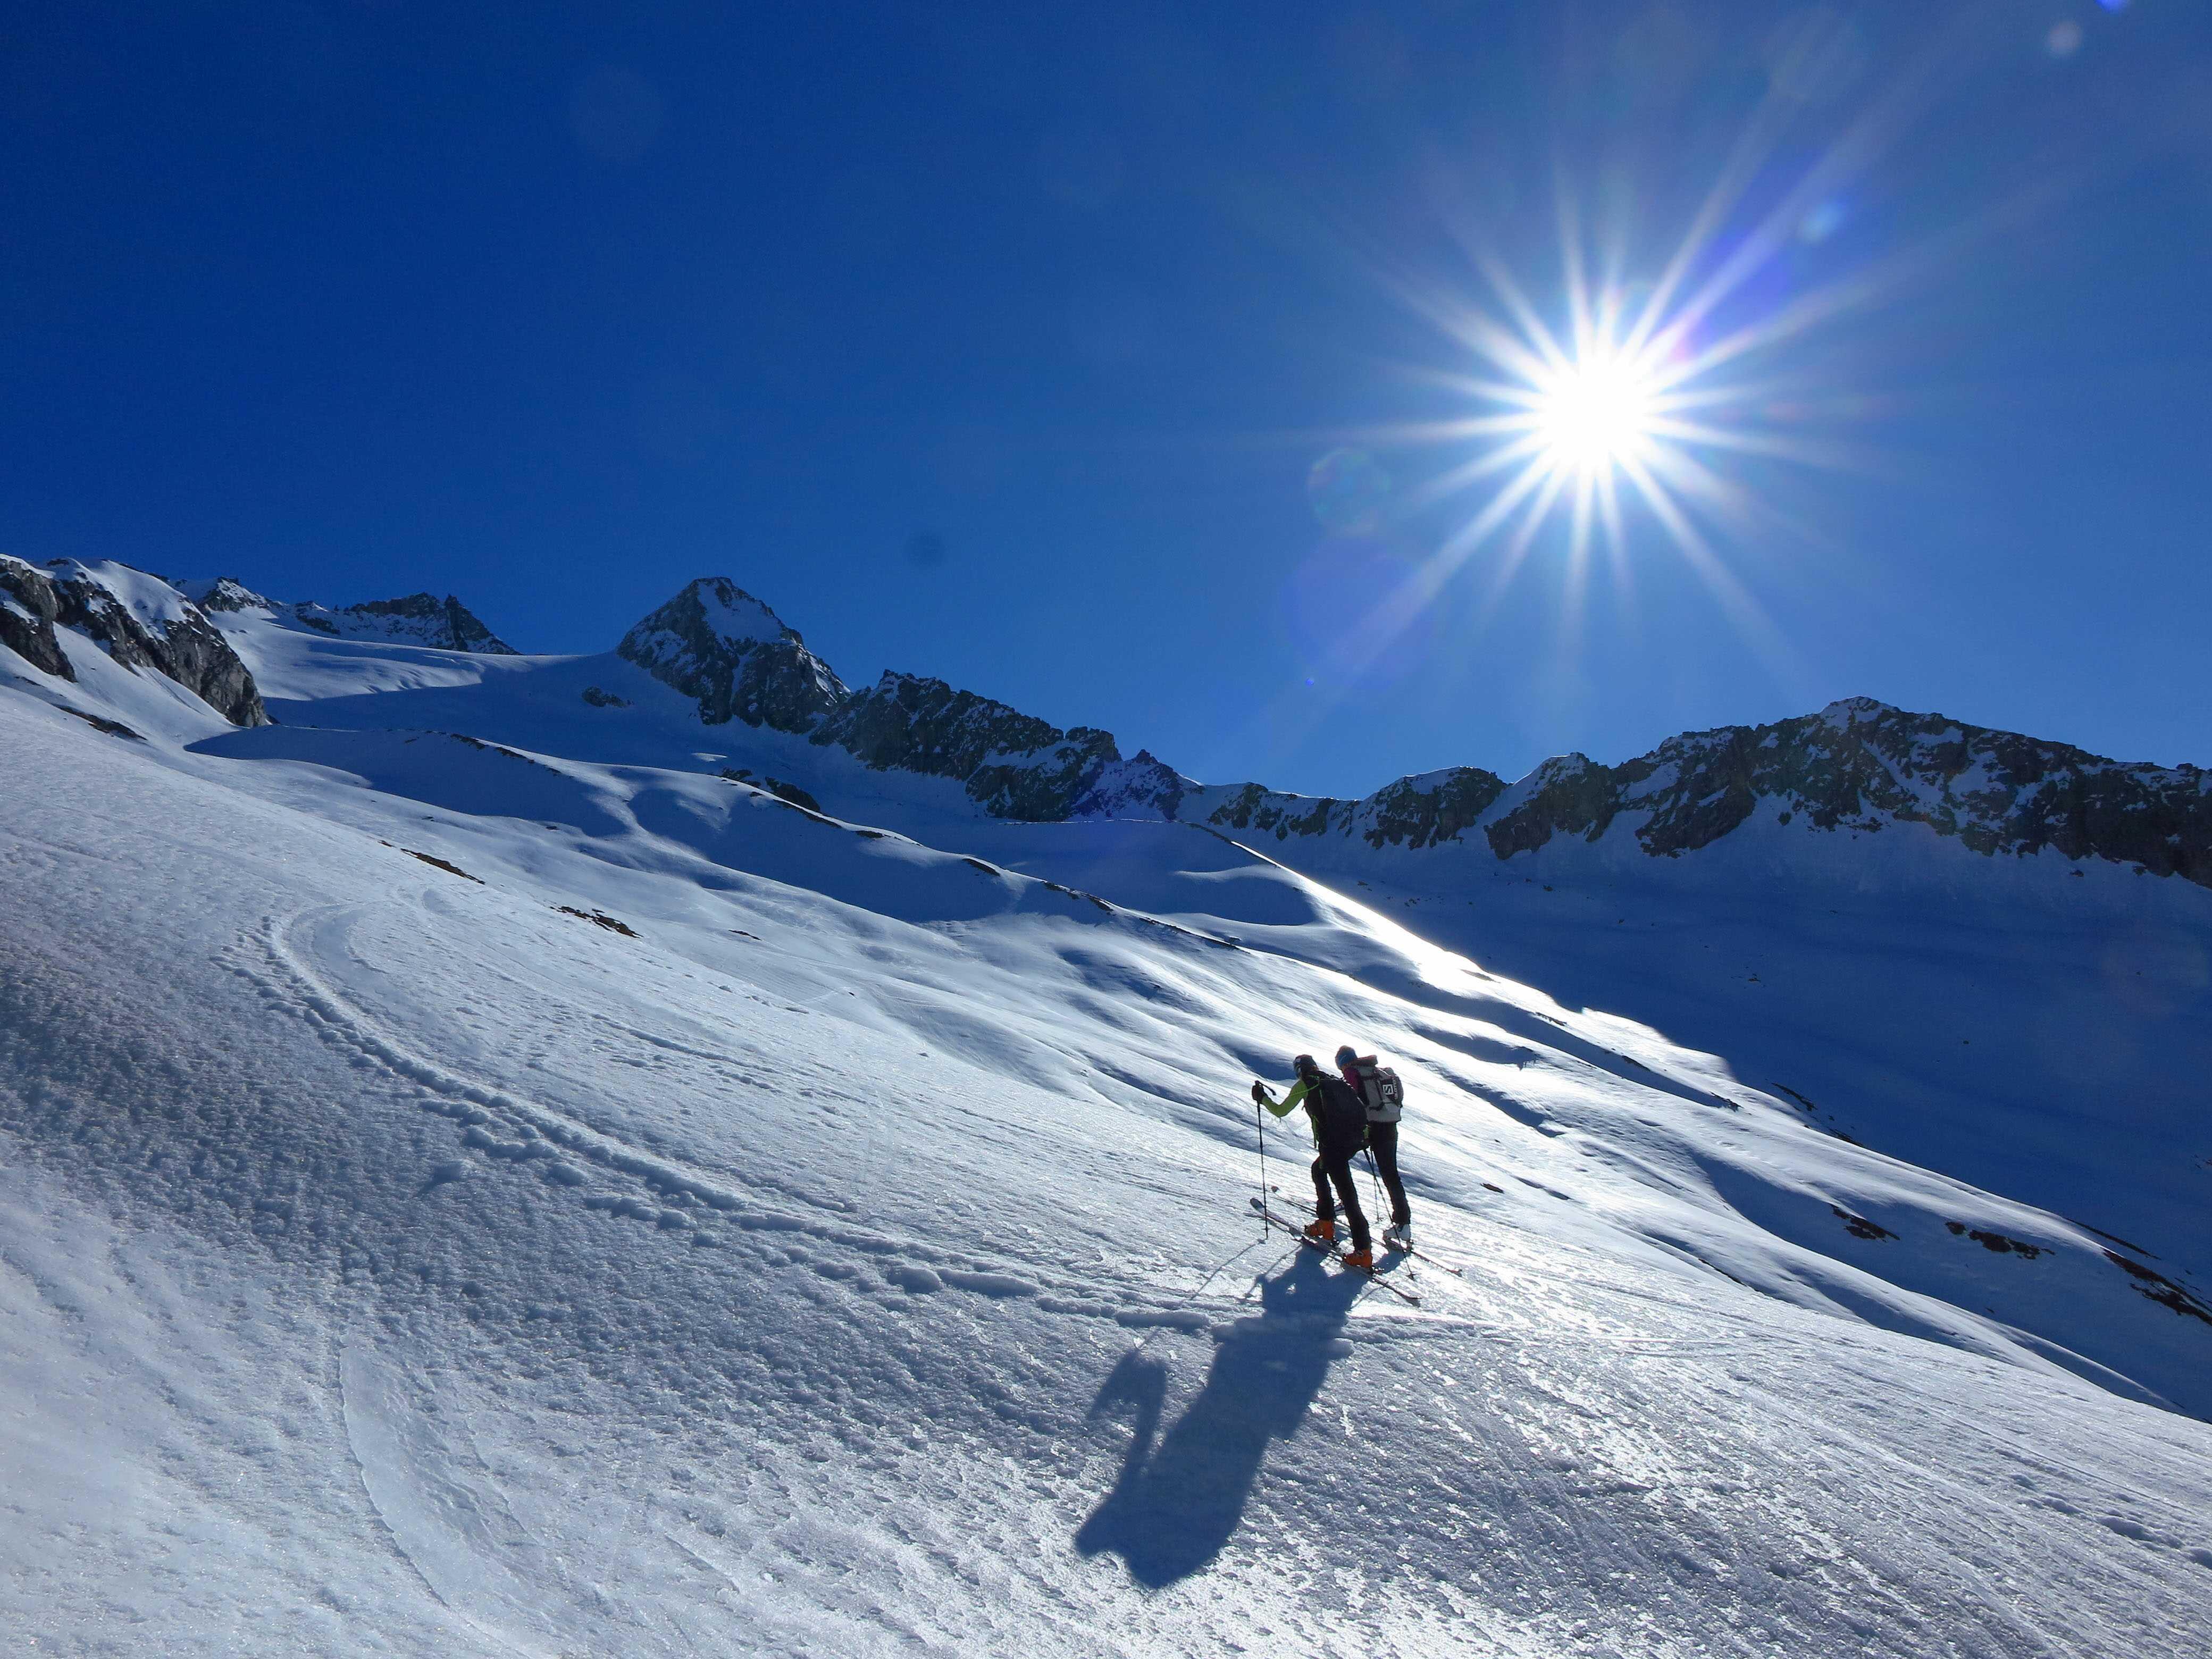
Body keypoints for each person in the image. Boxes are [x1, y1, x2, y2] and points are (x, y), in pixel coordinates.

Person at [1251, 1054, 1373, 1271]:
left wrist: (1263, 1099)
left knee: (1348, 1195)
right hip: (1351, 1143)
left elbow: (1281, 1111)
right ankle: (1325, 1223)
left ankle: (1362, 1251)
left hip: (1332, 1146)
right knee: (1318, 1171)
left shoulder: (1305, 1084)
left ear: (1299, 1070)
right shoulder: (1332, 1080)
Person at [1337, 1045, 1412, 1251]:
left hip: (1371, 1128)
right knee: (1391, 1175)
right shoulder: (1375, 1071)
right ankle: (1403, 1223)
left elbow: (1351, 1102)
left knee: (1336, 1161)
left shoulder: (1353, 1073)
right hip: (1390, 1126)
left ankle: (1345, 1204)